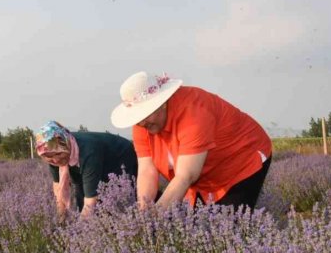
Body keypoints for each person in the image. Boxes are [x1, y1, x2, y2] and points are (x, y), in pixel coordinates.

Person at [110, 71, 272, 210]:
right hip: (203, 176)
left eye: (145, 115)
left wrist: (156, 216)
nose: (141, 123)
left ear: (162, 104)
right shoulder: (142, 123)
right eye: (138, 118)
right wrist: (143, 211)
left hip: (241, 161)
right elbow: (147, 170)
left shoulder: (194, 114)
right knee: (198, 225)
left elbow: (186, 176)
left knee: (230, 225)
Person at [35, 121, 138, 219]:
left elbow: (90, 199)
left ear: (67, 144)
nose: (56, 160)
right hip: (91, 161)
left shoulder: (88, 152)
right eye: (50, 157)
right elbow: (58, 188)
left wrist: (79, 231)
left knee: (120, 201)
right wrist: (61, 219)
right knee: (81, 198)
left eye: (59, 153)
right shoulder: (51, 153)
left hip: (120, 157)